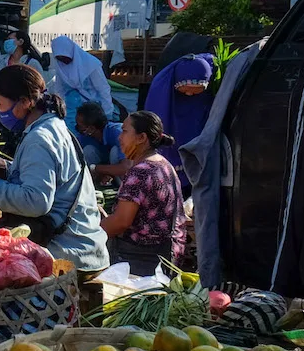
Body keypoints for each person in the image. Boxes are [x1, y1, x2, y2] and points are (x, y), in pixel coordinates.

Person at [0, 64, 108, 304]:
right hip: (83, 245)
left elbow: (36, 201)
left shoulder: (39, 138)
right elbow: (44, 178)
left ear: (24, 102)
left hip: (68, 251)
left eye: (0, 105)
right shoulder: (51, 127)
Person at [101, 111, 186, 276]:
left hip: (143, 258)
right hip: (169, 254)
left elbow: (121, 222)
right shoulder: (164, 164)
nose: (120, 137)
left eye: (125, 131)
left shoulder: (141, 172)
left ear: (141, 138)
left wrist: (91, 235)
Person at [144, 53, 215, 195]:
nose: (189, 94)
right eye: (186, 89)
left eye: (196, 91)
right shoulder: (162, 95)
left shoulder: (206, 99)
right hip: (173, 135)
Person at [51, 36, 113, 133]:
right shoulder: (60, 67)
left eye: (65, 57)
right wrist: (59, 108)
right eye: (59, 58)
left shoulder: (91, 65)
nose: (63, 61)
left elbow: (103, 89)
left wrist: (107, 112)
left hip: (92, 111)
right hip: (71, 112)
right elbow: (59, 90)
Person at [75, 101, 129, 182]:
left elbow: (126, 167)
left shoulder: (118, 133)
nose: (77, 129)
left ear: (91, 129)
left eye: (79, 126)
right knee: (88, 150)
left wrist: (95, 168)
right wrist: (101, 175)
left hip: (131, 171)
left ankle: (122, 187)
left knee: (115, 152)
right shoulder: (84, 137)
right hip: (106, 170)